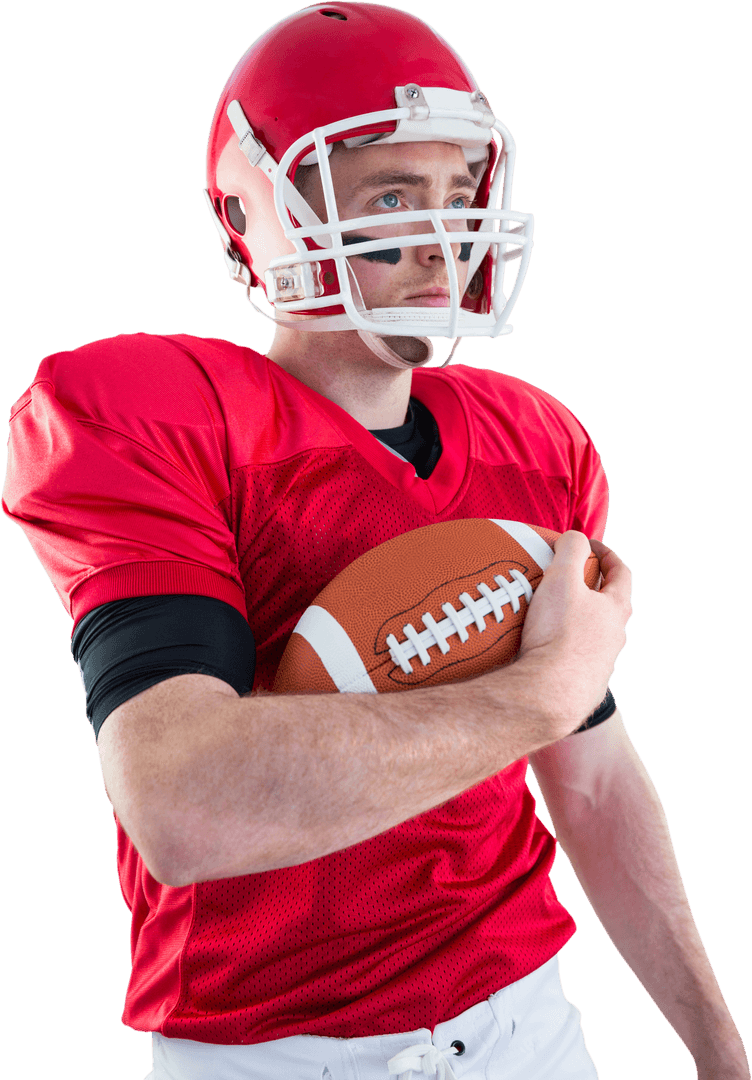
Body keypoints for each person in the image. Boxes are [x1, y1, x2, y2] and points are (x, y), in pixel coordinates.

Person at [1, 4, 747, 1080]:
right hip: (268, 1052)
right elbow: (185, 804)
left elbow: (588, 781)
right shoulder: (158, 417)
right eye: (391, 196)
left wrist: (720, 1052)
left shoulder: (531, 442)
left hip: (523, 1026)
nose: (442, 237)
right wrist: (537, 695)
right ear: (256, 219)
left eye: (456, 195)